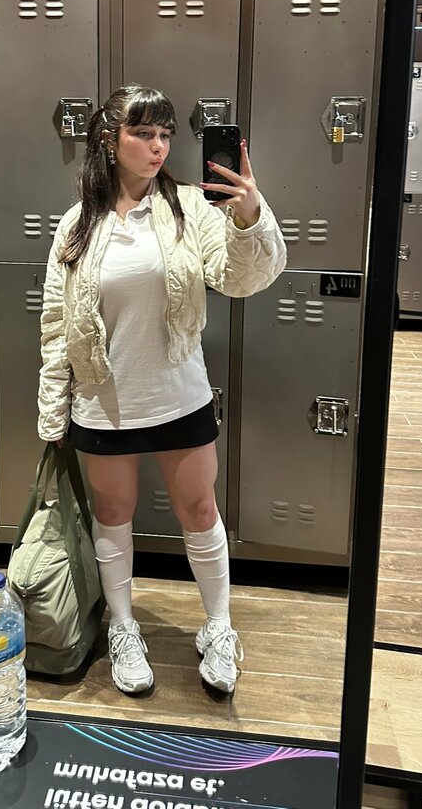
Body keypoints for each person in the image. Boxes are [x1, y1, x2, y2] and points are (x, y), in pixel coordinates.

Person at [37, 84, 286, 696]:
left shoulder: (191, 209)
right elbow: (56, 324)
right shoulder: (76, 225)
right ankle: (123, 628)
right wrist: (53, 410)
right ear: (109, 139)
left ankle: (218, 626)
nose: (158, 146)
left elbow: (242, 278)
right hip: (104, 402)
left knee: (200, 512)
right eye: (143, 133)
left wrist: (249, 216)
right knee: (113, 516)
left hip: (179, 395)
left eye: (165, 134)